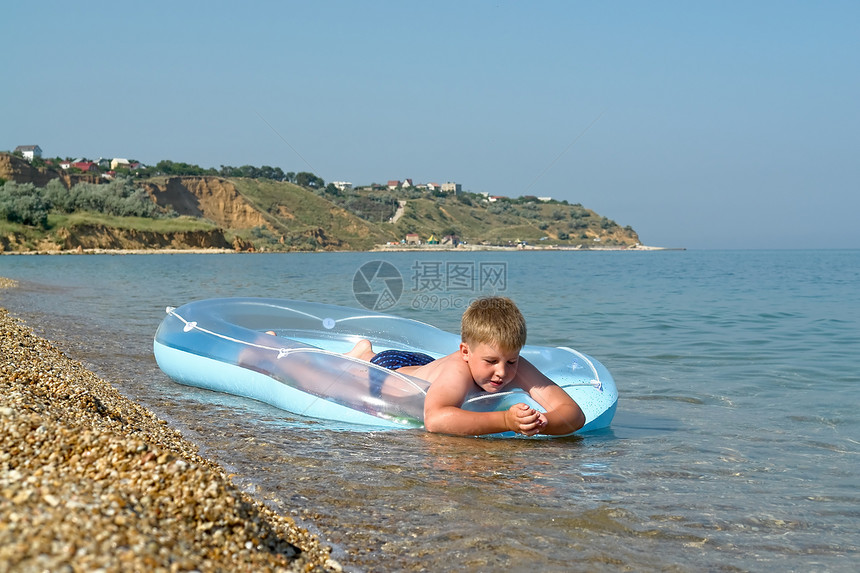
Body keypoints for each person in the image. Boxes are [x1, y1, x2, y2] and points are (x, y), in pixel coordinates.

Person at [346, 296, 585, 437]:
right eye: (491, 361)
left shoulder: (514, 365)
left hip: (429, 367)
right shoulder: (458, 370)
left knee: (440, 372)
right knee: (365, 364)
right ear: (466, 352)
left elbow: (572, 412)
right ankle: (364, 351)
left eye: (511, 361)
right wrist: (507, 422)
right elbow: (435, 420)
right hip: (392, 368)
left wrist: (541, 422)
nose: (502, 372)